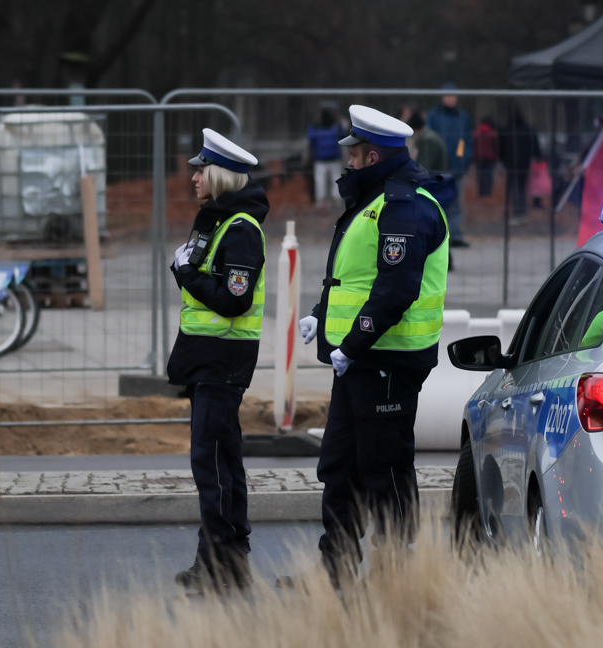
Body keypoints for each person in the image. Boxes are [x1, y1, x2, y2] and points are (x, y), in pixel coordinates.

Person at [281, 105, 454, 593]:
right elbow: (353, 277)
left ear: (372, 155)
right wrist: (320, 311)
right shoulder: (374, 200)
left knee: (384, 469)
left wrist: (353, 343)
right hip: (360, 361)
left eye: (353, 155)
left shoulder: (404, 205)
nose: (347, 164)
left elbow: (396, 289)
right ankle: (335, 570)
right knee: (339, 466)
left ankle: (396, 576)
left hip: (387, 361)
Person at [168, 129, 269, 592]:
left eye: (199, 169)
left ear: (218, 176)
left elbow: (234, 301)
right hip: (209, 360)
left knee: (212, 463)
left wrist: (186, 272)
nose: (192, 176)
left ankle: (220, 563)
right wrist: (187, 272)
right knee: (222, 459)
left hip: (222, 362)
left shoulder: (241, 230)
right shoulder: (218, 222)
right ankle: (227, 559)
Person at [427, 83, 472, 247]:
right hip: (439, 169)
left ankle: (455, 235)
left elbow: (465, 140)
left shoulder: (463, 116)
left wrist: (463, 157)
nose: (450, 98)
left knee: (456, 203)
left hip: (457, 167)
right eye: (447, 95)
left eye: (453, 95)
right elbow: (430, 139)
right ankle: (439, 235)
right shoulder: (434, 116)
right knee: (438, 202)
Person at [499, 107, 541, 225]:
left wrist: (502, 162)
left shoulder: (508, 130)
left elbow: (501, 148)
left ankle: (519, 213)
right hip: (523, 164)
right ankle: (521, 213)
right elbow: (535, 147)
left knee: (515, 189)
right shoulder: (527, 129)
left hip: (512, 164)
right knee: (520, 188)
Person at [307, 102, 346, 206]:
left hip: (324, 159)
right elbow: (343, 135)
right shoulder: (336, 127)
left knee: (322, 180)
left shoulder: (316, 127)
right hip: (330, 159)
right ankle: (333, 200)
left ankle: (322, 200)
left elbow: (311, 142)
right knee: (334, 179)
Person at [473, 117, 498, 197]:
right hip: (490, 157)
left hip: (478, 157)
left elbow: (472, 145)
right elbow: (496, 147)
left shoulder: (475, 133)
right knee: (488, 175)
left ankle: (481, 191)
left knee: (480, 174)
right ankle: (488, 192)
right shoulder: (493, 134)